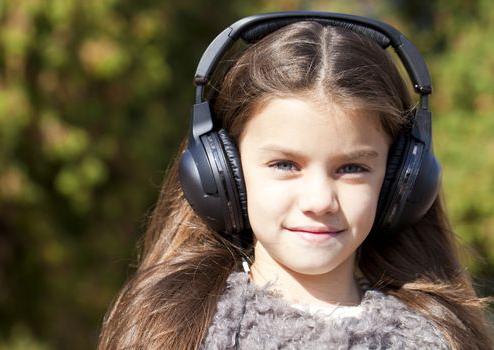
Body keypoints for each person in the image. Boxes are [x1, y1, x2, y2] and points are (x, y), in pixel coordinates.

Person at [98, 12, 493, 350]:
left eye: (352, 168)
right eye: (285, 164)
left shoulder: (437, 339)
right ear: (222, 173)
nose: (319, 200)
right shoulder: (169, 330)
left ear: (401, 183)